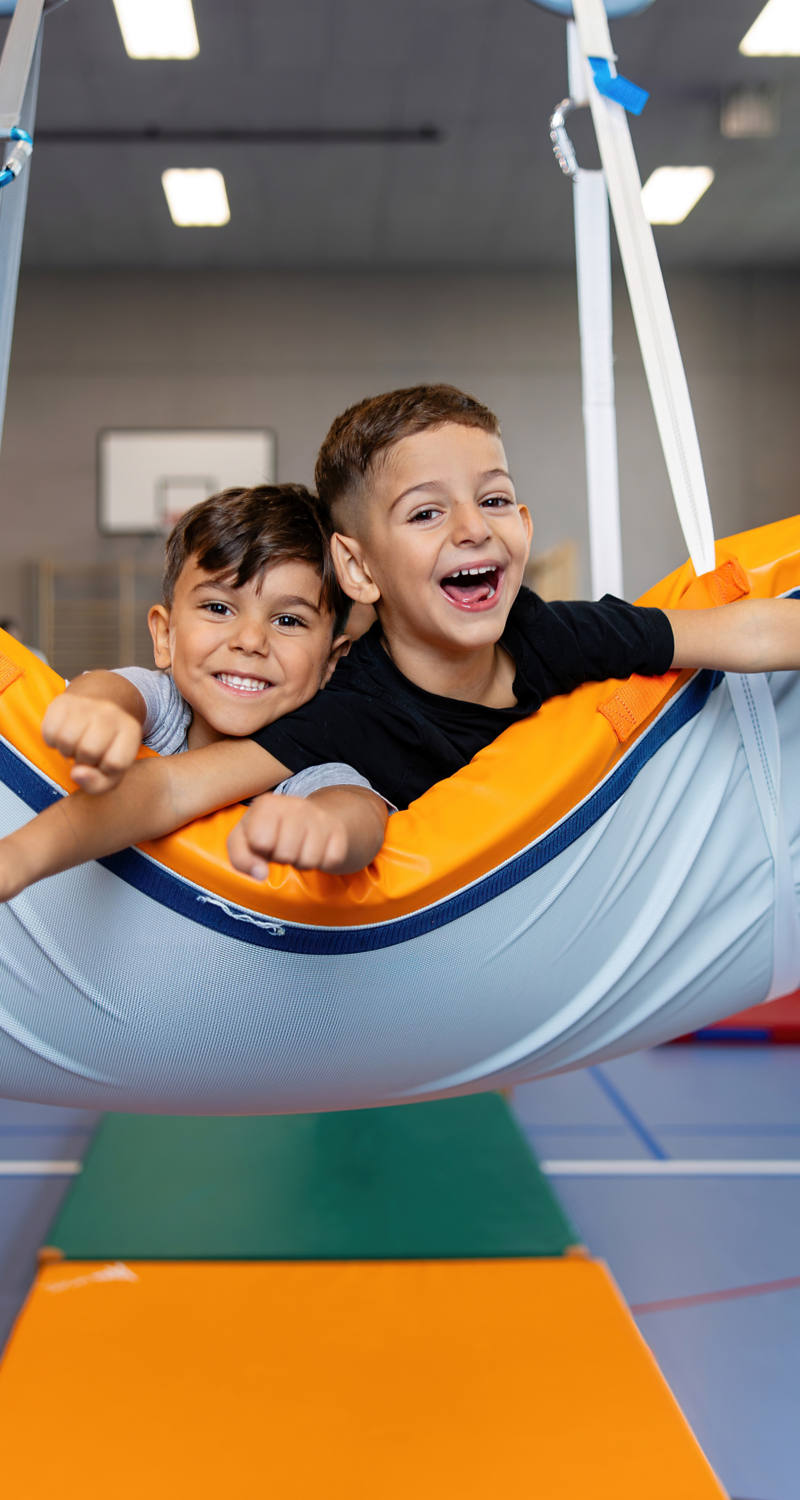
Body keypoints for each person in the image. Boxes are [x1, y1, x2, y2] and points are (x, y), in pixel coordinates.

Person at [3, 382, 799, 892]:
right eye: (425, 512)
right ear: (357, 568)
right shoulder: (345, 713)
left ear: (524, 525)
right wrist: (21, 858)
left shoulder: (557, 633)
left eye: (494, 501)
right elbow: (178, 787)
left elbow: (743, 627)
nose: (470, 530)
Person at [0, 484, 387, 901]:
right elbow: (117, 690)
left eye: (288, 620)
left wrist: (326, 826)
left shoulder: (308, 763)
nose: (251, 640)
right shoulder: (167, 706)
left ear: (331, 661)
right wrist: (94, 708)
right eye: (218, 608)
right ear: (165, 636)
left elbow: (355, 806)